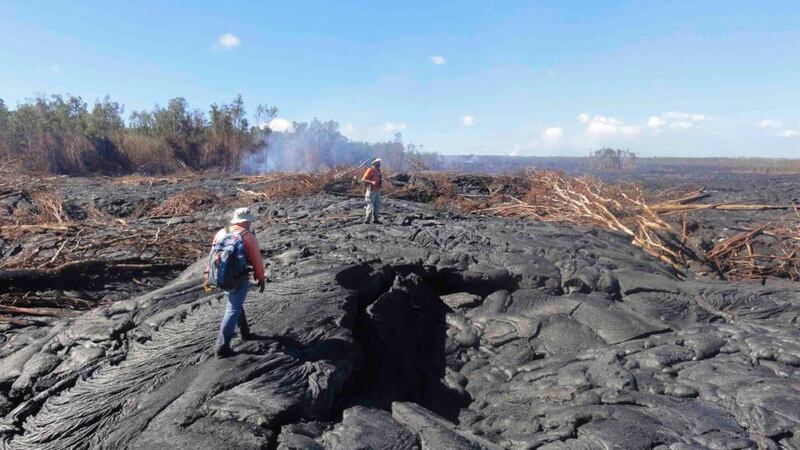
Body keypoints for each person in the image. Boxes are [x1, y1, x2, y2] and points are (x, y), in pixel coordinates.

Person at [204, 207, 266, 358]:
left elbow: (213, 256)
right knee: (233, 308)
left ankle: (244, 332)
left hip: (221, 276)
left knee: (235, 303)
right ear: (245, 221)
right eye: (249, 221)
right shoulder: (247, 236)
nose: (250, 224)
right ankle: (222, 346)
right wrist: (261, 277)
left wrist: (208, 277)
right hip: (239, 277)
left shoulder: (221, 232)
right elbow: (257, 259)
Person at [361, 158, 383, 224]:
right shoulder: (370, 170)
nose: (379, 163)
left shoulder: (379, 170)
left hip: (377, 191)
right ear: (374, 163)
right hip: (371, 190)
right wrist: (371, 182)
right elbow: (363, 179)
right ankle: (367, 219)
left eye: (379, 162)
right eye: (378, 162)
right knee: (370, 205)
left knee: (377, 205)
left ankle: (375, 219)